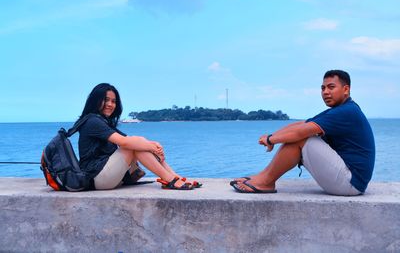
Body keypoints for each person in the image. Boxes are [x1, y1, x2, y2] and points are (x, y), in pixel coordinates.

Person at [230, 70, 375, 196]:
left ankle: (266, 182)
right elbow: (302, 124)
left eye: (331, 87)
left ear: (346, 89)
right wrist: (272, 136)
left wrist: (271, 140)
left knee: (302, 139)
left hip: (351, 183)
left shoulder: (346, 111)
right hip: (349, 179)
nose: (325, 92)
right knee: (302, 134)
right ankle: (262, 177)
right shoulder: (341, 110)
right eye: (323, 88)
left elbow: (300, 133)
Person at [78, 83, 198, 190]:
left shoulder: (102, 121)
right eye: (106, 100)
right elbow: (125, 143)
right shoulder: (92, 121)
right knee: (134, 146)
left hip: (105, 176)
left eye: (113, 101)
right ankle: (169, 179)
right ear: (95, 100)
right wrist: (151, 147)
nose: (110, 104)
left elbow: (131, 139)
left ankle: (174, 176)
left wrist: (153, 144)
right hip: (96, 178)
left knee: (138, 141)